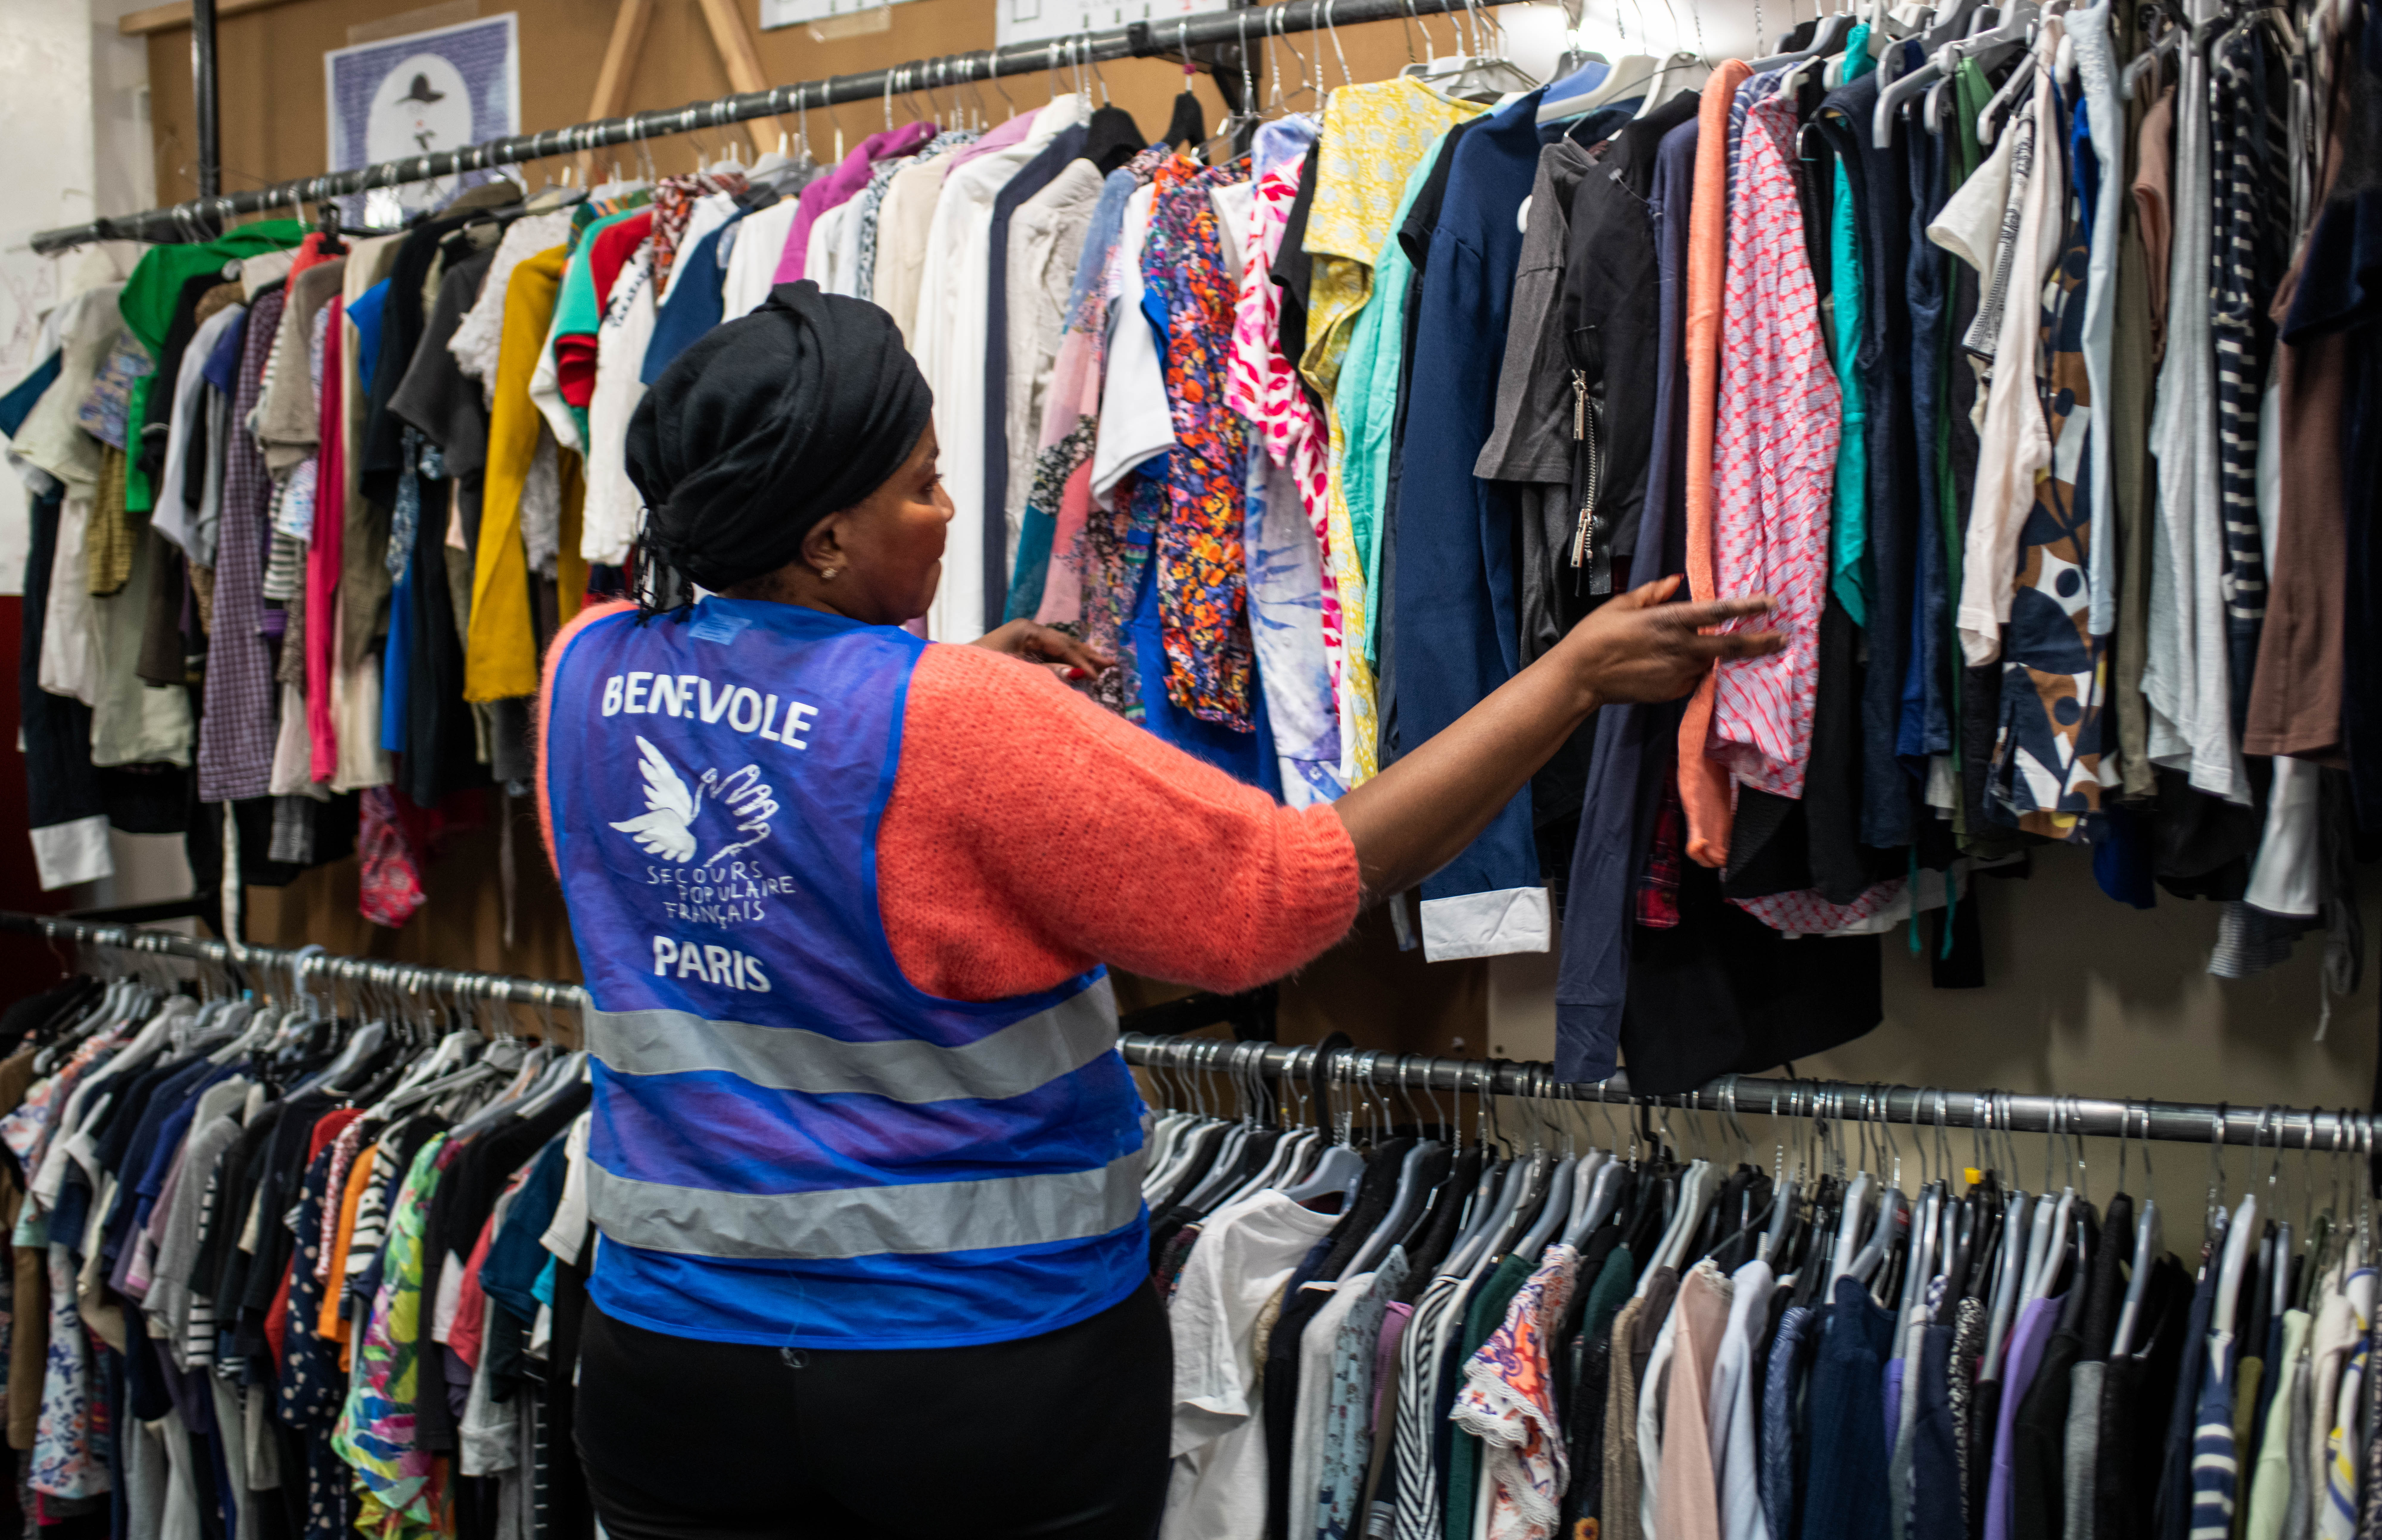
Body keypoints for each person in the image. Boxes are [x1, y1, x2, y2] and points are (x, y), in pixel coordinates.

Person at [537, 282, 1779, 1540]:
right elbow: (1281, 894)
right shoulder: (959, 724)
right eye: (921, 486)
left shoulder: (587, 669)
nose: (950, 507)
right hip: (968, 1370)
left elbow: (779, 775)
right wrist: (1570, 680)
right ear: (822, 542)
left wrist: (950, 685)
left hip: (672, 1365)